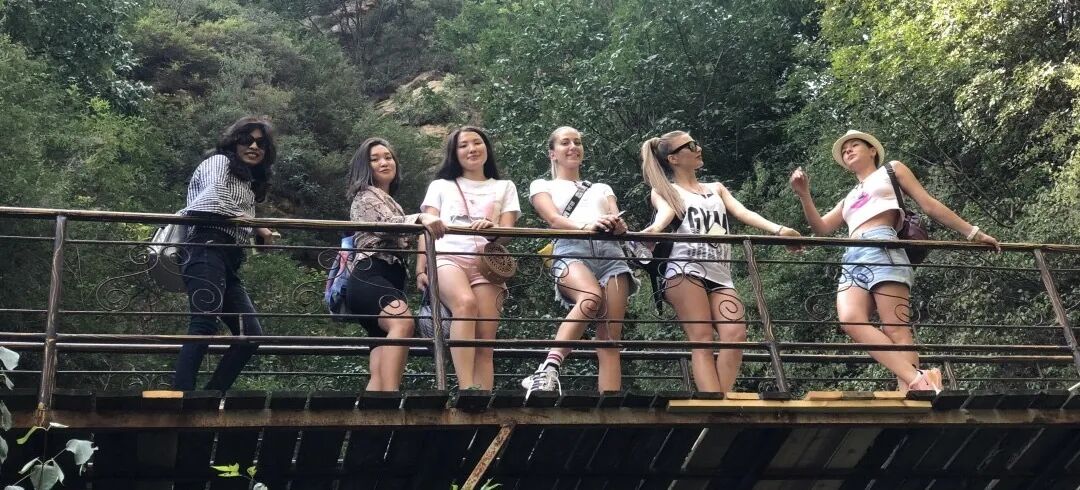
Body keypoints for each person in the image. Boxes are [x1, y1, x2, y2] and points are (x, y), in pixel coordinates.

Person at [789, 129, 1000, 393]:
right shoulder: (849, 197)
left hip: (883, 245)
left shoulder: (891, 169)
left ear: (872, 150)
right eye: (844, 150)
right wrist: (804, 194)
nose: (848, 150)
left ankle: (911, 391)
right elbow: (821, 228)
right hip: (853, 255)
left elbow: (928, 204)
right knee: (850, 320)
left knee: (895, 328)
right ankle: (920, 380)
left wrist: (973, 233)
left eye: (854, 145)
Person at [639, 130, 802, 393]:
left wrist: (780, 230)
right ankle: (715, 403)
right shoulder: (665, 190)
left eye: (696, 143)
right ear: (673, 159)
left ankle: (719, 400)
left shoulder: (716, 188)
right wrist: (654, 230)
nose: (698, 148)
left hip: (719, 272)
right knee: (702, 339)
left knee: (735, 335)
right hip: (685, 268)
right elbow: (665, 214)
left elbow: (743, 212)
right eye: (690, 145)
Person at [521, 126, 637, 396]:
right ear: (552, 153)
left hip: (611, 254)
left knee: (610, 337)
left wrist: (618, 225)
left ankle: (609, 402)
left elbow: (617, 219)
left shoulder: (602, 188)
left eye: (577, 142)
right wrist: (587, 226)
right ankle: (549, 367)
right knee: (589, 296)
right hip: (571, 249)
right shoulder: (542, 185)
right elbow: (553, 219)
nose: (573, 146)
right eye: (565, 142)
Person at [173, 116, 277, 391]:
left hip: (227, 258)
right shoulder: (219, 162)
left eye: (261, 143)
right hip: (205, 247)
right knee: (203, 323)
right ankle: (180, 398)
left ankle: (210, 396)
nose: (254, 146)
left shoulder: (246, 182)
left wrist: (257, 233)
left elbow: (236, 220)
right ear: (233, 142)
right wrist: (256, 225)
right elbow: (212, 196)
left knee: (250, 334)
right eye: (246, 140)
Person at [418, 126, 521, 390]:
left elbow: (508, 233)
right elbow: (425, 228)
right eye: (463, 145)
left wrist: (493, 230)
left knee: (485, 342)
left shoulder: (505, 186)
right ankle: (467, 389)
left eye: (477, 143)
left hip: (487, 264)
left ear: (487, 147)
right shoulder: (441, 186)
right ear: (454, 153)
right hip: (447, 256)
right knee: (465, 304)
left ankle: (482, 400)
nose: (471, 149)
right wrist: (421, 268)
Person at [345, 137, 447, 391]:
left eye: (388, 157)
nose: (384, 162)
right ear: (364, 166)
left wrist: (420, 269)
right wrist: (422, 217)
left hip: (386, 278)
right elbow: (387, 225)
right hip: (370, 274)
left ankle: (372, 408)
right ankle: (390, 399)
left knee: (381, 355)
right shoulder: (364, 196)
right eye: (375, 159)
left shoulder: (386, 198)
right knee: (402, 323)